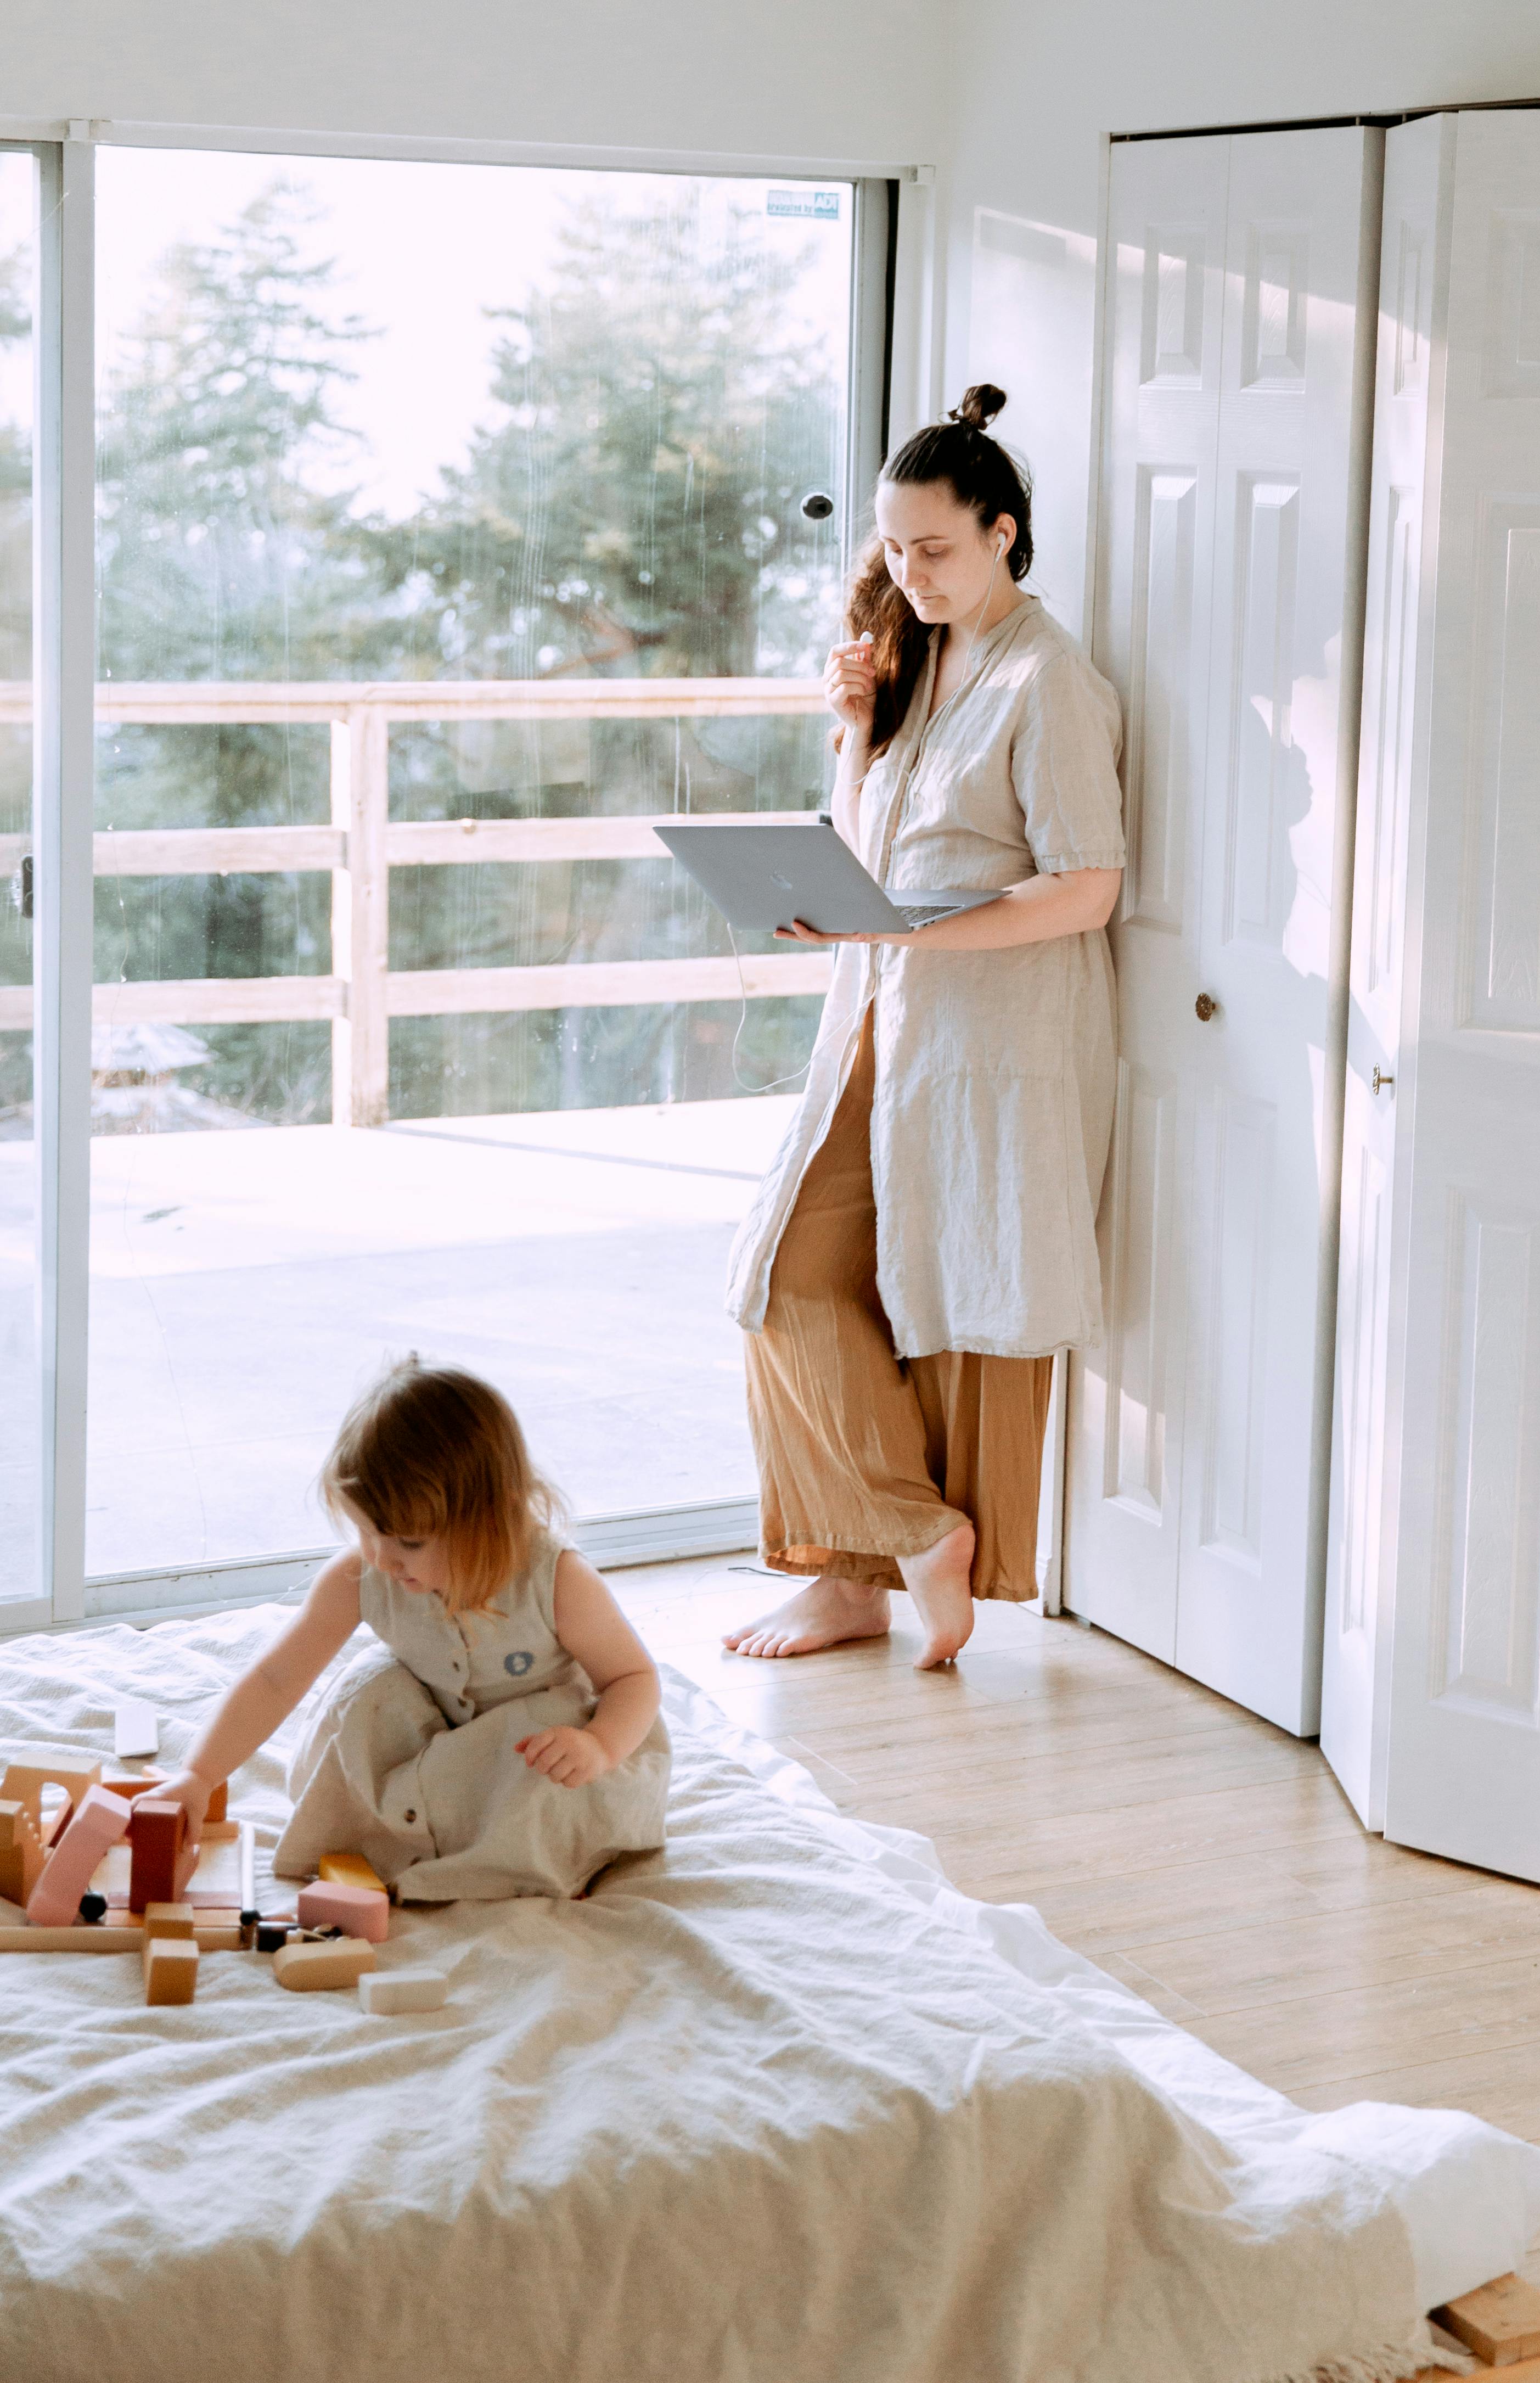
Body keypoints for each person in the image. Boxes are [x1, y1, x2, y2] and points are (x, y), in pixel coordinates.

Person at [723, 385, 1125, 1673]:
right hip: (880, 1020)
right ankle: (876, 1555)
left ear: (1004, 530)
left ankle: (885, 1557)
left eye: (934, 547)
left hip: (982, 1038)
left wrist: (900, 934)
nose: (909, 571)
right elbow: (866, 848)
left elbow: (1085, 886)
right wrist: (852, 730)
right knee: (782, 1282)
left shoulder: (1048, 681)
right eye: (892, 548)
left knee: (921, 1292)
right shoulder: (921, 650)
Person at [134, 1359, 670, 1901]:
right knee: (370, 1690)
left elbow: (633, 1677)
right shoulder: (360, 1573)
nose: (383, 1560)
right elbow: (277, 1678)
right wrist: (200, 1777)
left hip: (542, 1751)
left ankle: (520, 1860)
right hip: (443, 1737)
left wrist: (600, 1746)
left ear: (494, 1518)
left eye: (409, 1543)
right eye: (367, 1533)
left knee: (544, 1749)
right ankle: (417, 1835)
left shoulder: (556, 1581)